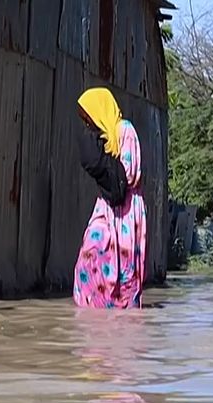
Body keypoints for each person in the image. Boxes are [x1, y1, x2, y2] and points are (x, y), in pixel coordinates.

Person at [73, 87, 147, 309]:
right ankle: (93, 316)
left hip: (126, 212)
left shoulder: (124, 130)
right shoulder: (103, 139)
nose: (87, 123)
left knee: (123, 270)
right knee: (89, 256)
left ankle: (121, 328)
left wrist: (105, 166)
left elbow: (129, 174)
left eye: (88, 117)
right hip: (105, 209)